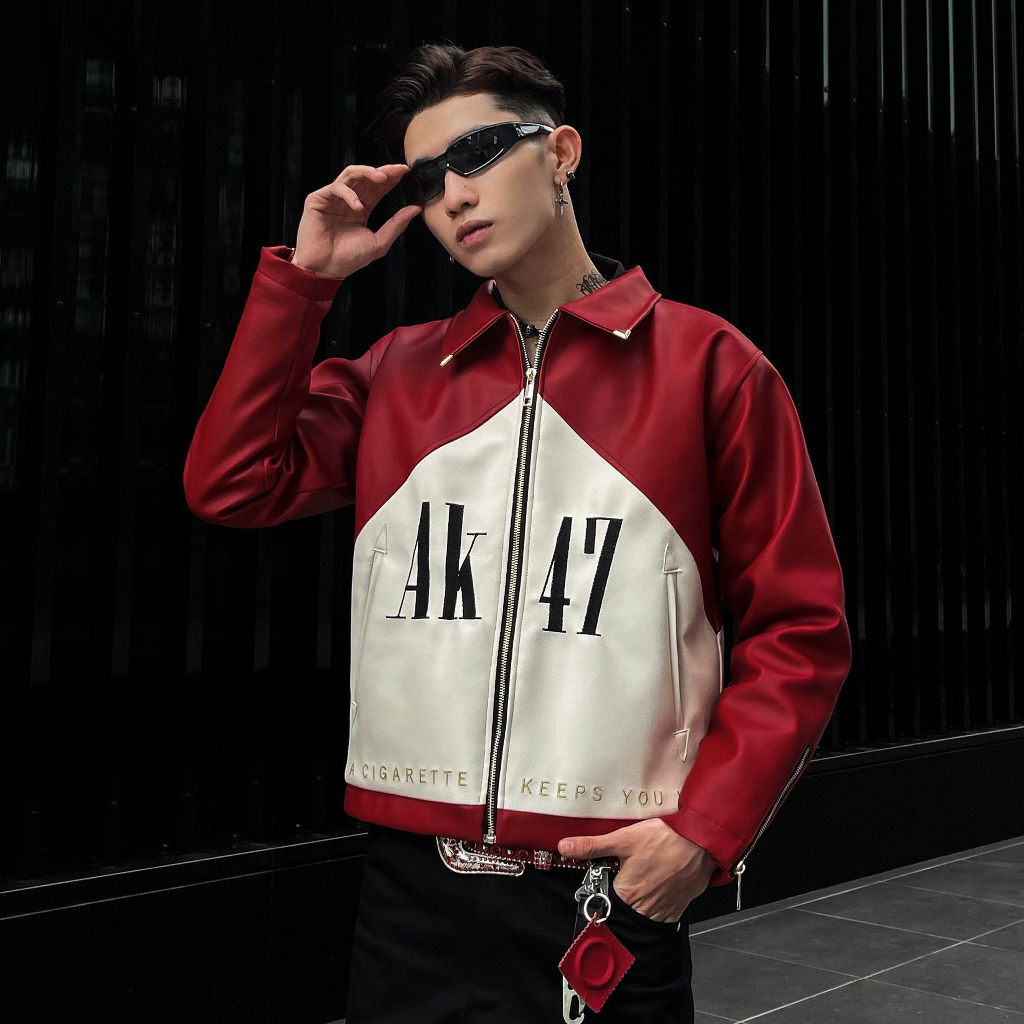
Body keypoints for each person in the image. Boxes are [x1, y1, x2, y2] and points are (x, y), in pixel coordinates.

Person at [183, 40, 852, 1024]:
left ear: (561, 152)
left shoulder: (711, 366)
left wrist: (704, 834)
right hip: (411, 896)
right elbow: (234, 482)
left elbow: (800, 630)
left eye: (480, 151)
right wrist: (307, 282)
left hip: (605, 890)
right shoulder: (396, 374)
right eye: (427, 179)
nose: (453, 193)